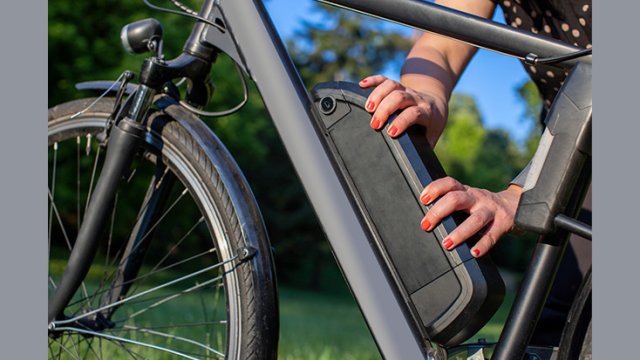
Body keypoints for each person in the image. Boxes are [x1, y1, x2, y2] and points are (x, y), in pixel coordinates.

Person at [360, 0, 591, 346]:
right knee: (555, 324)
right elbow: (441, 43)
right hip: (574, 144)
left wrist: (520, 194)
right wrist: (427, 97)